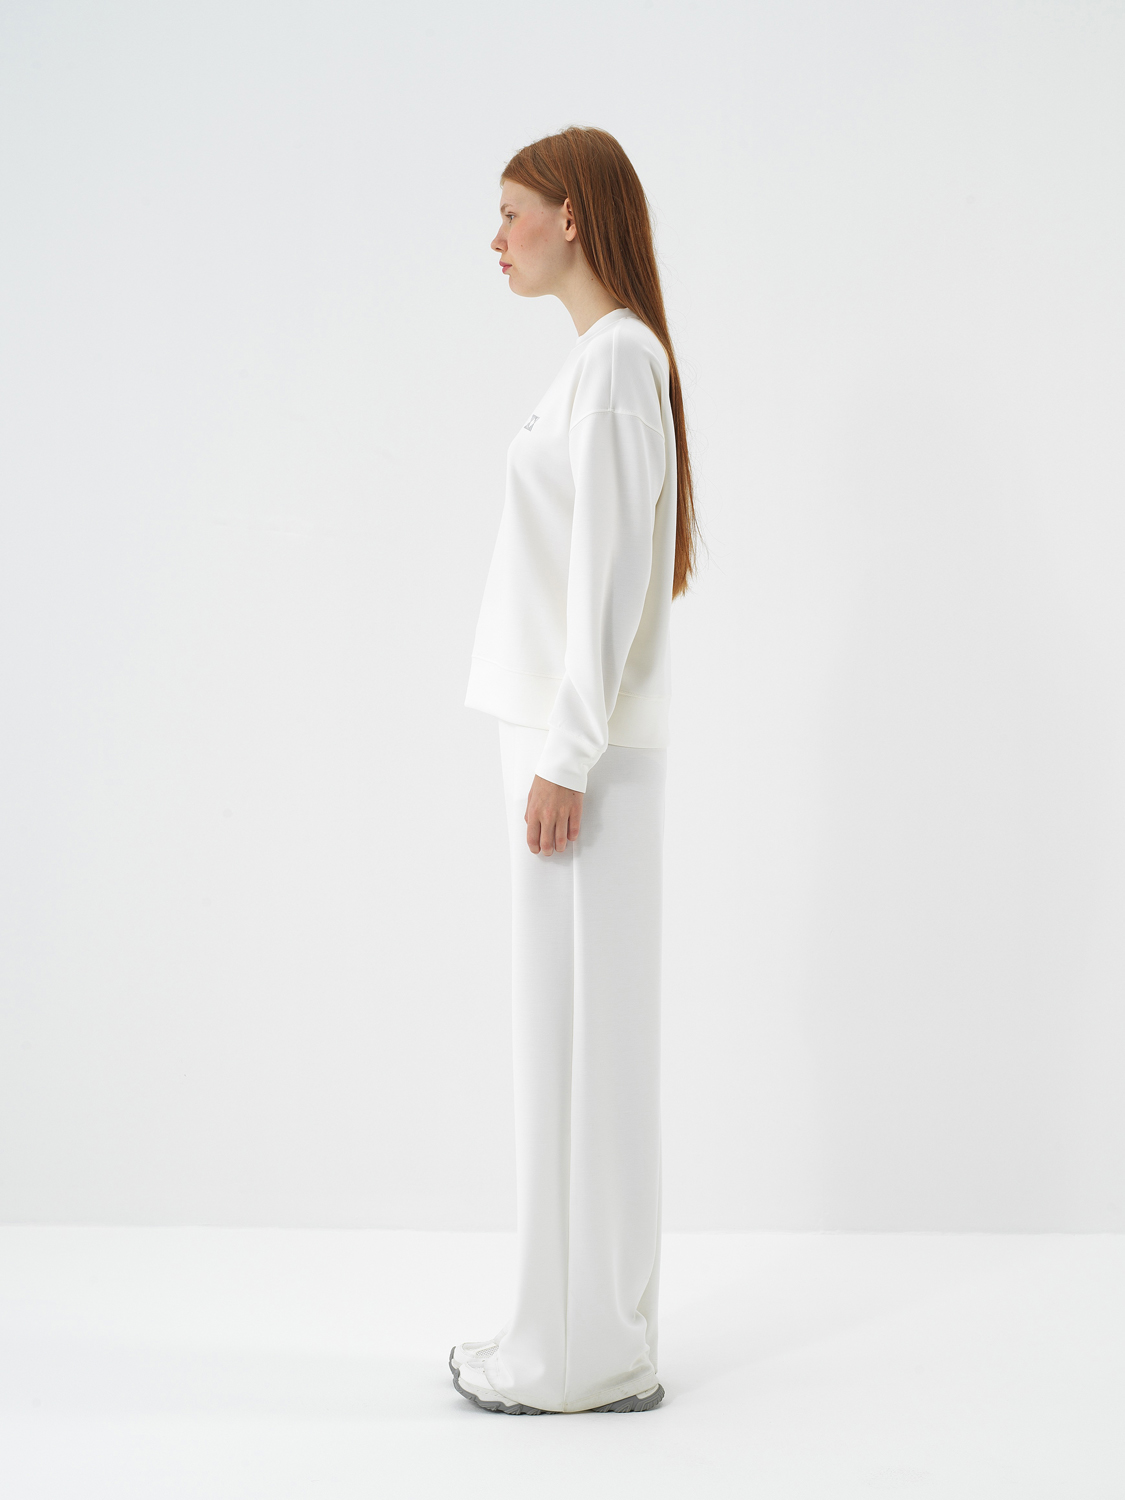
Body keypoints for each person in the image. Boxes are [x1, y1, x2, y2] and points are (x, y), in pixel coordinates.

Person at [451, 125, 698, 1416]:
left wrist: (563, 756)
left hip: (574, 758)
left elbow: (609, 580)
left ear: (573, 217)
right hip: (569, 747)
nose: (495, 239)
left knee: (578, 1045)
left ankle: (571, 1357)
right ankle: (583, 1337)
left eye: (512, 213)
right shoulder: (603, 363)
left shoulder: (614, 364)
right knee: (576, 1042)